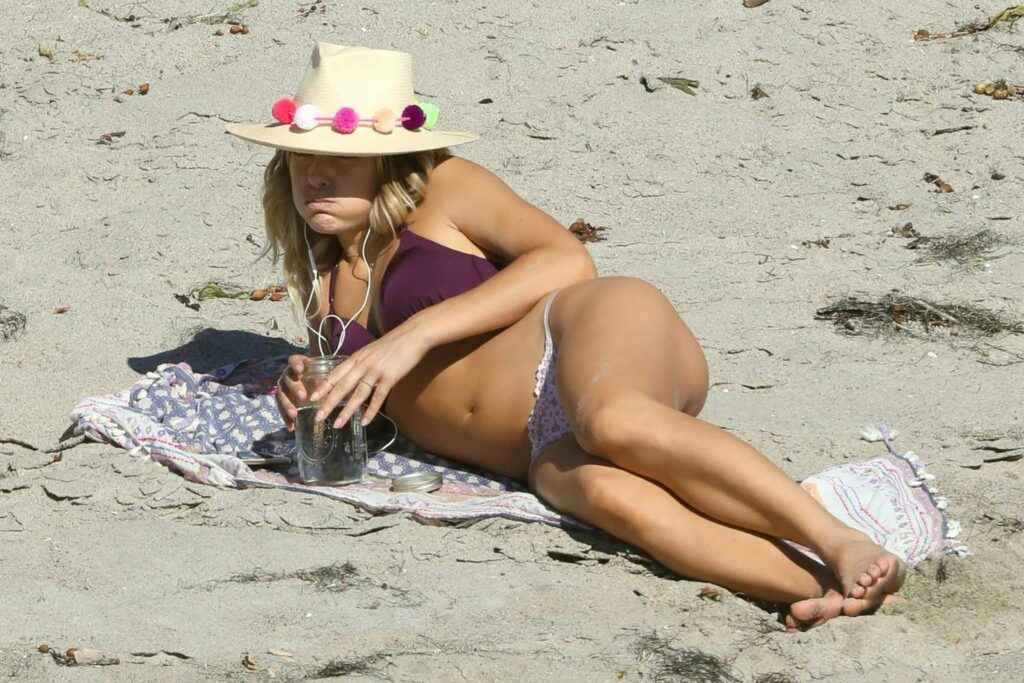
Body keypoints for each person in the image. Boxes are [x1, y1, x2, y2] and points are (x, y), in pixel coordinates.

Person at [227, 43, 904, 630]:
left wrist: (414, 335)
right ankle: (825, 585)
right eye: (302, 156)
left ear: (388, 158)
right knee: (604, 497)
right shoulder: (321, 276)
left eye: (341, 157)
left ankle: (837, 537)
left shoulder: (445, 188)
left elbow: (568, 260)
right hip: (537, 448)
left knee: (615, 421)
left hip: (580, 335)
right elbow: (401, 404)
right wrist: (326, 398)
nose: (316, 175)